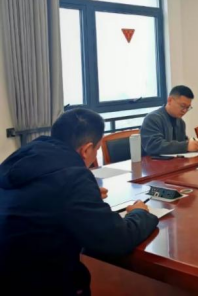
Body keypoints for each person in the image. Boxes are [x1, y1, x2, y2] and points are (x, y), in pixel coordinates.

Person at [0, 109, 159, 296]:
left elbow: (40, 198)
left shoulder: (23, 156)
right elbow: (116, 240)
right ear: (86, 149)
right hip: (40, 283)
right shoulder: (73, 177)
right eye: (97, 150)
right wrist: (139, 213)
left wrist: (85, 197)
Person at [141, 85, 198, 156]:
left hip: (175, 161)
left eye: (188, 107)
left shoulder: (181, 122)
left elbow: (182, 142)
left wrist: (191, 143)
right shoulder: (152, 119)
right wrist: (185, 146)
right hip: (154, 162)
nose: (185, 110)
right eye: (182, 106)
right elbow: (153, 145)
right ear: (170, 100)